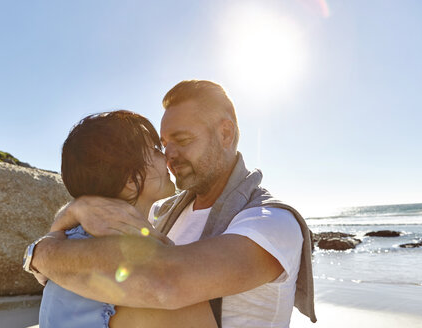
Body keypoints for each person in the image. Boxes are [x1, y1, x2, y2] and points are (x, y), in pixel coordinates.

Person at [27, 80, 317, 327]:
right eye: (162, 145)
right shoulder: (158, 215)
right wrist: (77, 208)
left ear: (226, 134)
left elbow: (166, 281)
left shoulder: (271, 223)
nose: (169, 155)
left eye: (182, 140)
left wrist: (40, 252)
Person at [29, 110, 217, 328]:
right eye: (155, 150)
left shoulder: (69, 242)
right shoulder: (134, 255)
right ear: (131, 179)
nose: (166, 156)